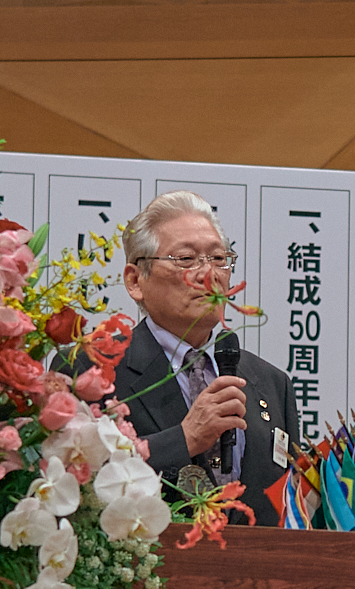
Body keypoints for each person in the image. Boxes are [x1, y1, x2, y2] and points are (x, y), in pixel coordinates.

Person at [111, 191, 299, 528]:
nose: (209, 274)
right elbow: (86, 481)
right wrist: (183, 439)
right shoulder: (97, 370)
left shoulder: (272, 384)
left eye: (218, 258)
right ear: (136, 280)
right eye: (186, 259)